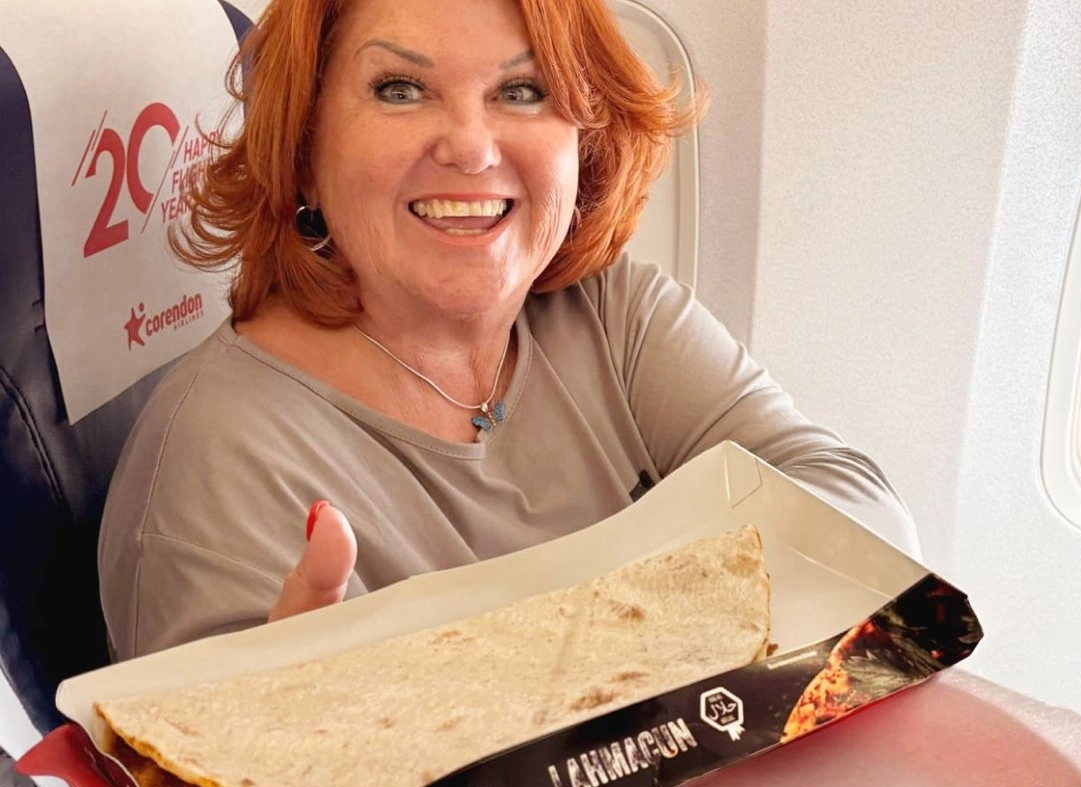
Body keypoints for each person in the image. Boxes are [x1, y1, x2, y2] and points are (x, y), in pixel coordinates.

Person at [97, 0, 918, 661]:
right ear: (305, 147)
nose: (470, 146)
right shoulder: (221, 452)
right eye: (399, 89)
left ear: (581, 139)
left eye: (522, 91)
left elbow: (864, 519)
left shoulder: (614, 314)